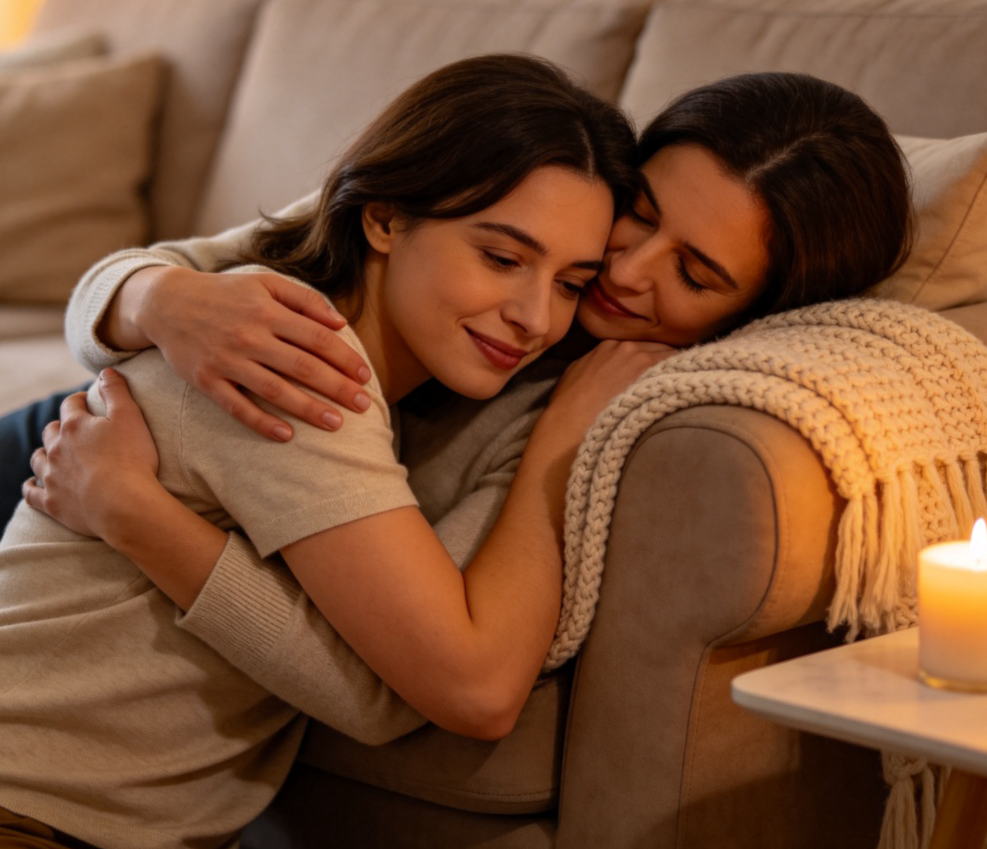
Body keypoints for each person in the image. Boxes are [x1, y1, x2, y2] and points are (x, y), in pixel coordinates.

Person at [16, 68, 915, 704]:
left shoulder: (598, 382)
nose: (624, 270)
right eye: (639, 215)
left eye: (696, 273)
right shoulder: (521, 202)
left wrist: (136, 515)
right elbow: (198, 263)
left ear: (751, 314)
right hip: (52, 441)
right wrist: (164, 298)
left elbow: (433, 680)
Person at [0, 52, 658, 849]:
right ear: (384, 221)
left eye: (572, 282)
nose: (534, 317)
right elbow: (465, 691)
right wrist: (563, 446)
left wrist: (136, 513)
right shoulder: (299, 367)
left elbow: (383, 690)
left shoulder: (449, 375)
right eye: (501, 258)